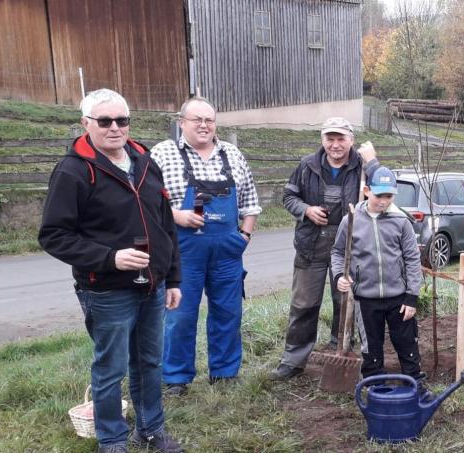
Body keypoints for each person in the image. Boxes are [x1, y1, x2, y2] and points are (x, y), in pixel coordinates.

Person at [38, 89, 183, 453]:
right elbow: (53, 235)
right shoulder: (73, 171)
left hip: (152, 285)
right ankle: (112, 439)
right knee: (111, 368)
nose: (115, 127)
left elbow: (166, 225)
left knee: (149, 362)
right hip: (105, 290)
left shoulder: (146, 161)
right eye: (104, 121)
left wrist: (173, 277)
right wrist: (110, 258)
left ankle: (150, 430)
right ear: (86, 124)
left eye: (122, 120)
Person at [151, 96, 261, 395]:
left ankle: (225, 373)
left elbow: (250, 202)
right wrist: (177, 215)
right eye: (196, 119)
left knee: (228, 312)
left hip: (227, 252)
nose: (203, 125)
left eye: (209, 120)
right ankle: (176, 379)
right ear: (181, 123)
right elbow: (147, 203)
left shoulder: (233, 154)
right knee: (180, 315)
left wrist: (244, 237)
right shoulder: (163, 154)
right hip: (182, 252)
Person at [269, 117, 378, 380]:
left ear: (351, 140)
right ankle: (294, 360)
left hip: (348, 244)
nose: (335, 144)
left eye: (341, 138)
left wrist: (372, 161)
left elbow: (384, 190)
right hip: (311, 243)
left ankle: (340, 350)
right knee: (303, 303)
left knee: (346, 300)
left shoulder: (361, 166)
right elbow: (288, 197)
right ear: (322, 140)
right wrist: (306, 210)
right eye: (330, 138)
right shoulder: (307, 166)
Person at [331, 166, 429, 392]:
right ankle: (376, 387)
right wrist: (339, 276)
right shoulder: (351, 220)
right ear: (367, 191)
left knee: (407, 343)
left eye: (389, 196)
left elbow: (412, 258)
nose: (384, 201)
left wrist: (412, 296)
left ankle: (416, 384)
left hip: (399, 298)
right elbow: (338, 253)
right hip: (365, 299)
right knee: (371, 347)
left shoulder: (400, 220)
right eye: (379, 195)